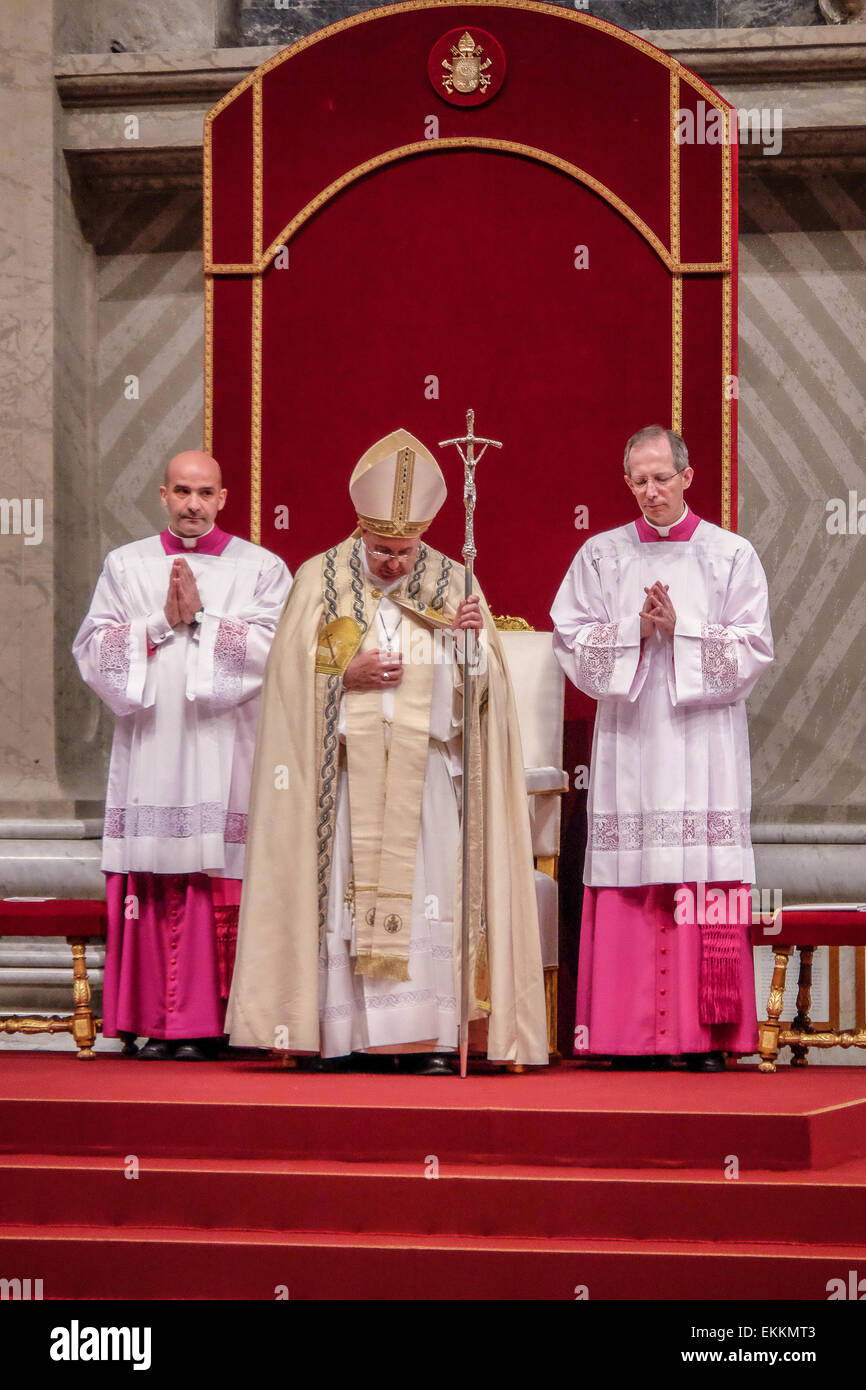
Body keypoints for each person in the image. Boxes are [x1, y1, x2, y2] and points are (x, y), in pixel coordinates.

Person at [226, 428, 547, 1073]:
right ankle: (342, 1037)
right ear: (360, 530)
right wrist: (345, 676)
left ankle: (423, 1038)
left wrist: (467, 648)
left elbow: (485, 699)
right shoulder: (321, 579)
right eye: (382, 550)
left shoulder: (453, 580)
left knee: (429, 897)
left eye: (405, 551)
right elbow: (288, 681)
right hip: (343, 775)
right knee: (344, 899)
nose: (395, 563)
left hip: (426, 773)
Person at [550, 426, 773, 1071]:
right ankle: (625, 1034)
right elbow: (570, 637)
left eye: (661, 478)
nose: (651, 491)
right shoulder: (601, 555)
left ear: (687, 477)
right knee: (632, 873)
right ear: (628, 484)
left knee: (700, 870)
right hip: (632, 742)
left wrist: (682, 632)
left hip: (704, 748)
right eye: (639, 481)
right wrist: (631, 630)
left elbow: (755, 647)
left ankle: (706, 1037)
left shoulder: (731, 556)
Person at [73, 450, 292, 1060]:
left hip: (230, 746)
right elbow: (93, 650)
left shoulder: (262, 567)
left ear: (223, 498)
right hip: (152, 746)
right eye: (182, 492)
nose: (194, 504)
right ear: (163, 495)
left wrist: (207, 621)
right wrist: (160, 625)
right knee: (156, 872)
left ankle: (215, 1024)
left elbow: (283, 651)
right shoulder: (127, 564)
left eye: (206, 493)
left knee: (216, 867)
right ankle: (151, 1019)